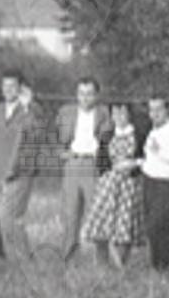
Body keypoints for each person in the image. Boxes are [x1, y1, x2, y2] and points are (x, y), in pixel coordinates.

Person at [82, 107, 144, 268]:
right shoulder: (108, 135)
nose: (119, 117)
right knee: (101, 222)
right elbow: (100, 162)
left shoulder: (138, 135)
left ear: (129, 114)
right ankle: (102, 264)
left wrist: (134, 164)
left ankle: (121, 264)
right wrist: (112, 168)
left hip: (129, 185)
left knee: (124, 223)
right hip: (109, 184)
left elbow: (146, 158)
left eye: (122, 113)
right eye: (115, 113)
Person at [0, 71, 39, 259]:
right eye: (5, 86)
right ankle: (15, 260)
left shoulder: (32, 110)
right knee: (4, 219)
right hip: (0, 172)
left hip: (20, 172)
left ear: (22, 89)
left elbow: (35, 131)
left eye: (12, 86)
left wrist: (27, 107)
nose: (7, 90)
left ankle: (23, 259)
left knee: (10, 218)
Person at [56, 77, 105, 259]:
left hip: (93, 164)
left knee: (97, 211)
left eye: (89, 94)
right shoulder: (66, 112)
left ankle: (101, 258)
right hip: (73, 163)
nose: (85, 98)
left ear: (97, 95)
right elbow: (54, 134)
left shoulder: (104, 114)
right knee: (70, 212)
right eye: (81, 94)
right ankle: (68, 256)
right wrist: (60, 152)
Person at [140, 95, 169, 272]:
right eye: (151, 110)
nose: (155, 113)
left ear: (167, 110)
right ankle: (156, 266)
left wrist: (161, 153)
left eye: (159, 109)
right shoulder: (153, 130)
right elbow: (151, 156)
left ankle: (168, 267)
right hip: (150, 181)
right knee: (151, 227)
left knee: (161, 225)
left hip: (168, 184)